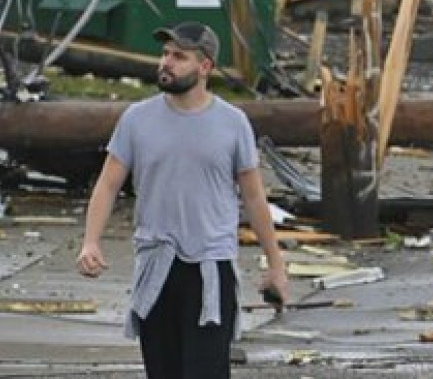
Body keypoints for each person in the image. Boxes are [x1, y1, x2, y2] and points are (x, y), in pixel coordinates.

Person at [76, 21, 288, 379]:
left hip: (211, 266)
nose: (166, 63)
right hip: (156, 263)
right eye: (165, 54)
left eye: (179, 56)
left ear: (205, 67)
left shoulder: (233, 123)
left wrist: (276, 265)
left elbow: (254, 197)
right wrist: (91, 242)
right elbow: (109, 184)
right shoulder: (137, 119)